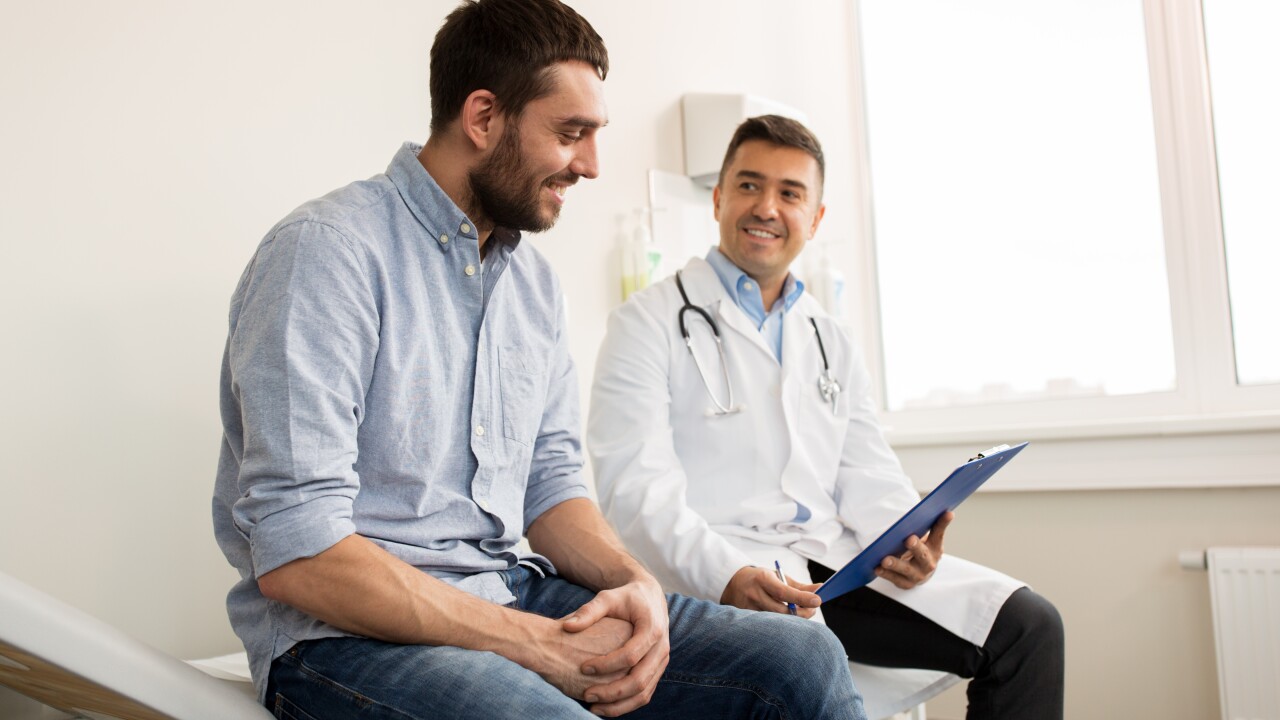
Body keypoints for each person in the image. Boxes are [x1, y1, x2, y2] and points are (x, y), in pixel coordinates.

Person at [212, 3, 865, 719]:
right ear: (484, 117)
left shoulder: (531, 285)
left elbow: (549, 486)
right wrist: (531, 644)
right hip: (339, 639)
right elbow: (301, 554)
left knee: (801, 657)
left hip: (507, 589)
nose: (588, 165)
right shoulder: (327, 252)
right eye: (570, 133)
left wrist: (634, 580)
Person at [588, 115, 1065, 719]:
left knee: (1029, 627)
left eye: (790, 194)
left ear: (815, 218)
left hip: (835, 567)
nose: (766, 207)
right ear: (717, 198)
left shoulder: (829, 335)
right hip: (719, 573)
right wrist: (727, 573)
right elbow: (634, 493)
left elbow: (865, 469)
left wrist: (908, 539)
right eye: (748, 185)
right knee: (803, 666)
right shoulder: (646, 322)